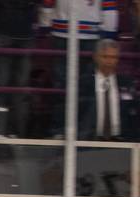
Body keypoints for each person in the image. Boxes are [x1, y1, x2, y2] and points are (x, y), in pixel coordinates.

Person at [41, 0, 118, 135]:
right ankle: (60, 130)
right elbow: (48, 2)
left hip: (87, 37)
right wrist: (45, 24)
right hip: (63, 36)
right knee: (62, 88)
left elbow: (109, 6)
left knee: (87, 88)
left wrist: (109, 34)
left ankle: (84, 130)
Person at [0, 0, 41, 138]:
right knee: (3, 86)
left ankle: (12, 131)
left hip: (18, 33)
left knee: (15, 88)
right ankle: (1, 131)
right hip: (7, 32)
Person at [78, 39, 137, 141]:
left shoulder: (126, 83)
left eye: (113, 57)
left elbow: (133, 115)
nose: (109, 61)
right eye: (105, 57)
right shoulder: (83, 83)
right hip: (90, 141)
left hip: (121, 143)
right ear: (95, 57)